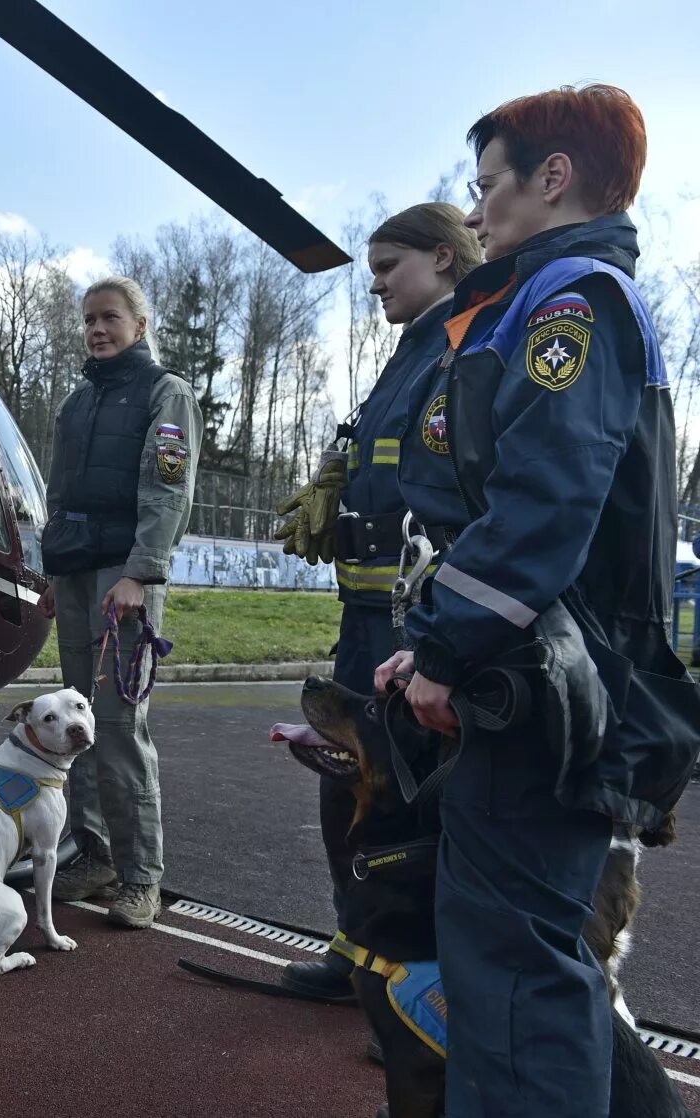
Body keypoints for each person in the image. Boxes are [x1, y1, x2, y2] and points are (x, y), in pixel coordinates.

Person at [374, 84, 700, 1116]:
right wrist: (431, 642)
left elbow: (544, 501)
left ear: (551, 178)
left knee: (516, 990)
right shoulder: (540, 298)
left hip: (546, 696)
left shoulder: (572, 300)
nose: (473, 214)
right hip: (531, 676)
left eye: (487, 186)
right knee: (517, 971)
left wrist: (447, 648)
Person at [272, 203, 482, 1001]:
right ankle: (361, 950)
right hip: (365, 626)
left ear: (443, 257)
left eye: (390, 269)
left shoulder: (464, 348)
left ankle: (421, 984)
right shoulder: (408, 356)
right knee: (348, 789)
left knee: (418, 809)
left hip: (416, 630)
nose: (378, 288)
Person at [40, 276, 203, 928]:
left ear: (140, 324)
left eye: (109, 317)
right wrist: (54, 572)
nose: (97, 329)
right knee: (72, 726)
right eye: (88, 320)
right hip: (76, 576)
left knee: (117, 728)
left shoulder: (166, 394)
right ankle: (94, 855)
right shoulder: (76, 404)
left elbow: (169, 491)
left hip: (123, 583)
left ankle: (142, 878)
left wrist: (141, 574)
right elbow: (58, 494)